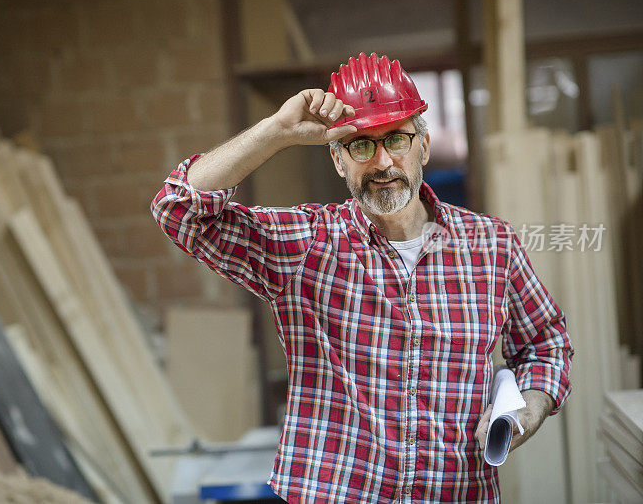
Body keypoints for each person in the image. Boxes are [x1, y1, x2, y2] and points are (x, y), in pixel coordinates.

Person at [151, 52, 574, 503]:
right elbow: (179, 209)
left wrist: (524, 413)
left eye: (397, 139)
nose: (382, 162)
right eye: (361, 145)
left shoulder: (491, 245)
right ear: (338, 160)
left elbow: (545, 345)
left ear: (423, 146)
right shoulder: (307, 245)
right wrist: (276, 131)